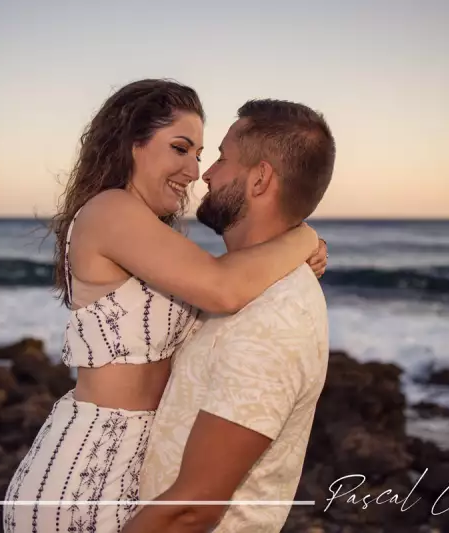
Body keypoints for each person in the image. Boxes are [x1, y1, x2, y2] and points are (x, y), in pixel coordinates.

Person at [2, 80, 328, 533]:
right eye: (180, 148)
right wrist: (303, 237)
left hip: (128, 467)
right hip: (87, 469)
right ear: (133, 144)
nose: (195, 171)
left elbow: (230, 282)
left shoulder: (156, 239)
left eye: (199, 154)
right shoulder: (109, 211)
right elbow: (223, 287)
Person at [123, 98, 336, 533]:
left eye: (221, 157)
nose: (206, 173)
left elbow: (193, 510)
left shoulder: (275, 317)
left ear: (259, 179)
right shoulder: (232, 285)